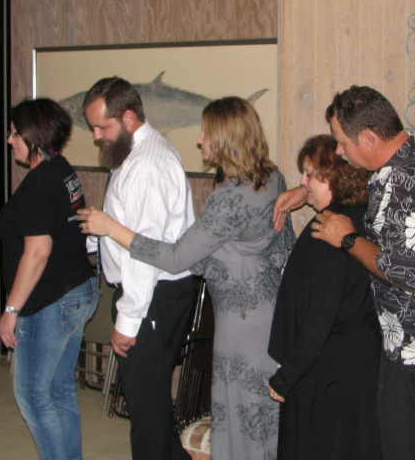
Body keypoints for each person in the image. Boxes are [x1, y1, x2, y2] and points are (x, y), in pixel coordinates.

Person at [79, 96, 296, 460]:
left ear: (226, 139)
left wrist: (112, 228)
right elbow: (284, 245)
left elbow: (178, 258)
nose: (199, 140)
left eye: (205, 133)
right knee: (260, 416)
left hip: (242, 325)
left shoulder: (231, 197)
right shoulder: (272, 177)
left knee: (241, 417)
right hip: (269, 313)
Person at [274, 85, 415, 460]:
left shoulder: (406, 184)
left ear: (369, 138)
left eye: (342, 143)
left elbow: (405, 272)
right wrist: (306, 192)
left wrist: (347, 239)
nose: (340, 151)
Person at [82, 77, 195, 460]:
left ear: (128, 117)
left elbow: (144, 253)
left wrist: (127, 322)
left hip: (151, 299)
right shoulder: (137, 153)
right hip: (152, 296)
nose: (97, 136)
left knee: (147, 420)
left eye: (102, 127)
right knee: (154, 413)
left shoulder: (147, 166)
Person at [267, 135, 381, 460]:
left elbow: (319, 318)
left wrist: (286, 377)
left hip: (328, 380)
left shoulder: (328, 231)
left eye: (309, 175)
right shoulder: (362, 217)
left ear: (335, 178)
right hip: (357, 371)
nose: (303, 183)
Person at [0, 98, 99, 460]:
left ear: (33, 135)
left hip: (50, 301)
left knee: (32, 395)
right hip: (76, 290)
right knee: (59, 391)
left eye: (14, 133)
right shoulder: (61, 169)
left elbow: (38, 252)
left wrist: (11, 309)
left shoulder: (40, 182)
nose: (9, 140)